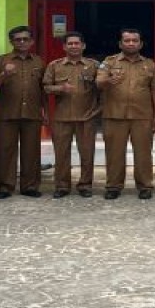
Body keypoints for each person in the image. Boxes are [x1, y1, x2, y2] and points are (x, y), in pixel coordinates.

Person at [96, 28, 155, 200]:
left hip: (142, 116)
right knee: (114, 153)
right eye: (127, 40)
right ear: (120, 43)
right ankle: (113, 186)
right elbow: (98, 82)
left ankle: (145, 186)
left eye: (134, 40)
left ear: (140, 44)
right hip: (114, 115)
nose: (131, 43)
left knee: (144, 154)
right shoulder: (109, 62)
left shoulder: (150, 64)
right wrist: (108, 80)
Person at [0, 25, 47, 199]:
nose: (22, 42)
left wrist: (46, 112)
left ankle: (30, 186)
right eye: (18, 39)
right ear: (11, 41)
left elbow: (43, 88)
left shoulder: (39, 62)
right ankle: (4, 187)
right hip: (7, 114)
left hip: (32, 112)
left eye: (25, 39)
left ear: (32, 41)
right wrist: (3, 75)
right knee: (5, 151)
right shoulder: (1, 61)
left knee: (32, 152)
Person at [42, 31, 101, 198]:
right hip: (62, 117)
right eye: (70, 44)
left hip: (86, 116)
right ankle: (62, 186)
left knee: (87, 153)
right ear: (64, 46)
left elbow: (103, 89)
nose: (74, 46)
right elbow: (46, 87)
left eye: (77, 43)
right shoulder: (55, 65)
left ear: (83, 46)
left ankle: (85, 185)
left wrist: (99, 109)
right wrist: (60, 88)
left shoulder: (94, 65)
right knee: (61, 154)